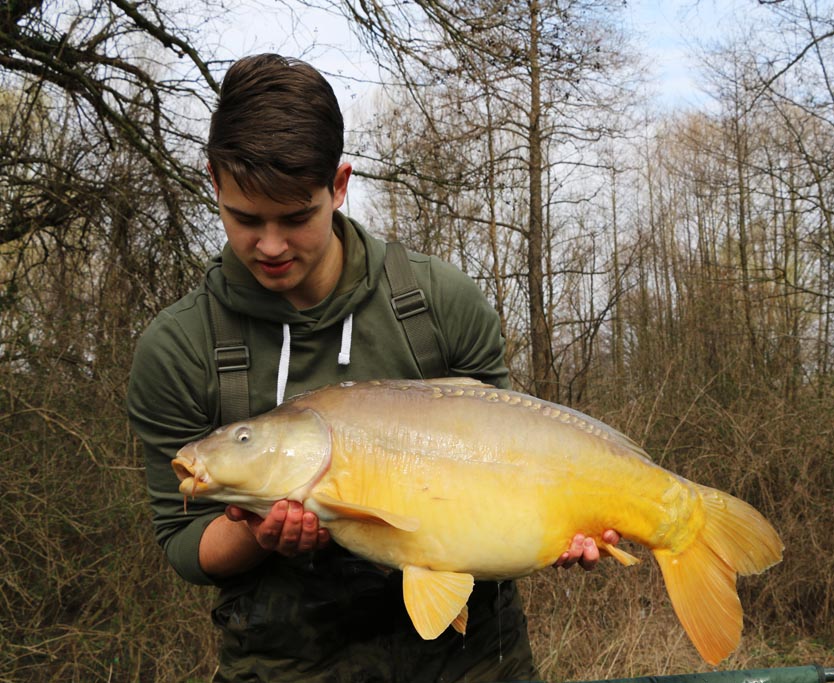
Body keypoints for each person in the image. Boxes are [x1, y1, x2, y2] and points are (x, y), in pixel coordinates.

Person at [127, 53, 619, 683]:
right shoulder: (178, 347)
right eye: (245, 219)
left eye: (297, 217)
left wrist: (563, 526)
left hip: (471, 665)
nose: (270, 246)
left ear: (338, 185)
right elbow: (182, 543)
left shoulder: (440, 302)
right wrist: (261, 533)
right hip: (287, 666)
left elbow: (510, 467)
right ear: (213, 184)